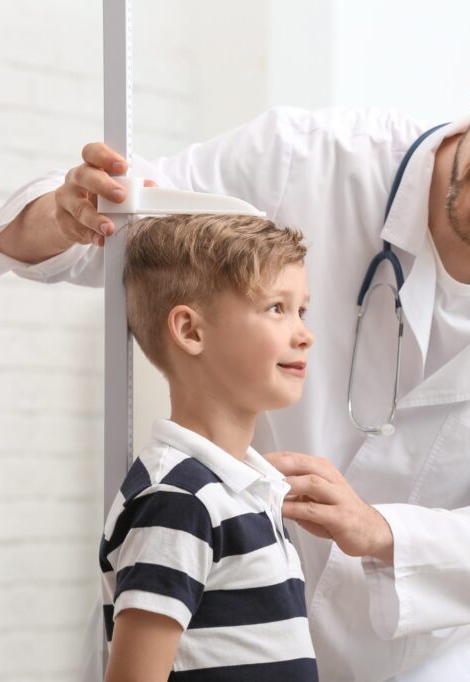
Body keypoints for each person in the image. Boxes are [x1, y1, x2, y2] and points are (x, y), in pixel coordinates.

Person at [0, 15, 470, 681]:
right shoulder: (304, 162)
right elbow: (123, 224)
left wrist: (380, 531)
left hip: (406, 659)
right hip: (216, 639)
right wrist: (65, 212)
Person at [99, 214, 317, 681]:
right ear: (191, 331)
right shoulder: (178, 502)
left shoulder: (247, 492)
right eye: (277, 308)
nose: (304, 333)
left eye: (302, 310)